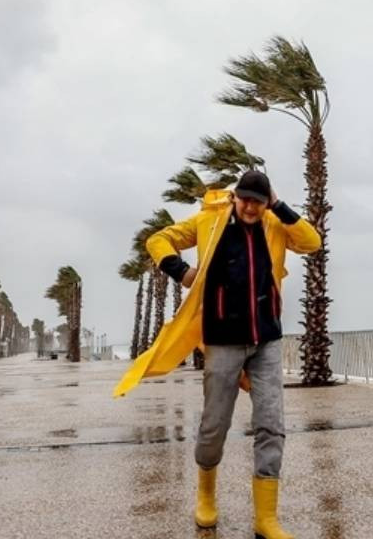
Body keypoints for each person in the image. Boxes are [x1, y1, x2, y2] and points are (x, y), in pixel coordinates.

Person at [113, 169, 321, 539]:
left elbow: (311, 242)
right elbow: (159, 239)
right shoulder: (209, 221)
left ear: (266, 202)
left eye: (258, 202)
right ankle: (206, 495)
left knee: (271, 424)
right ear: (235, 196)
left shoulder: (274, 222)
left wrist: (279, 205)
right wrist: (181, 271)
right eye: (245, 200)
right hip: (222, 340)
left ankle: (266, 519)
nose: (250, 208)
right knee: (214, 426)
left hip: (267, 340)